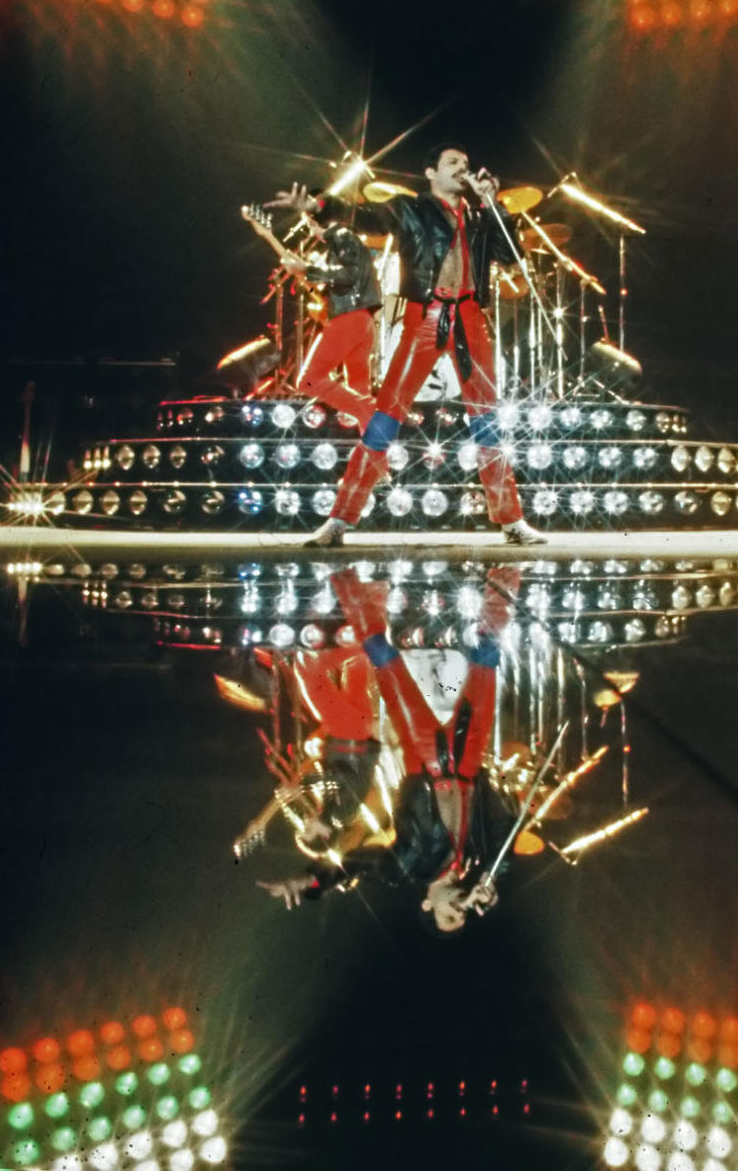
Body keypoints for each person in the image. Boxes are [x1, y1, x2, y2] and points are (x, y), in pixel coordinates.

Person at [303, 145, 544, 545]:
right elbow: (365, 216)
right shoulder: (410, 209)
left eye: (466, 164)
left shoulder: (481, 217)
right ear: (431, 172)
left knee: (487, 419)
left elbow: (511, 254)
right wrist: (319, 203)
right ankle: (339, 521)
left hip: (469, 318)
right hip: (425, 317)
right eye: (453, 163)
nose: (462, 169)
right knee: (386, 416)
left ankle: (511, 521)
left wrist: (494, 206)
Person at [257, 566, 523, 930]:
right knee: (487, 655)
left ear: (429, 905)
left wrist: (310, 882)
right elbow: (506, 826)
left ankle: (346, 575)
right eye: (462, 916)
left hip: (425, 758)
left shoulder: (410, 866)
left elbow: (358, 864)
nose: (457, 910)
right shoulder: (479, 860)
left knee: (385, 660)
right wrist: (490, 878)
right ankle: (506, 574)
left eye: (449, 916)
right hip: (467, 762)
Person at [263, 185, 382, 430]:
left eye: (307, 219)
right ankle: (374, 463)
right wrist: (305, 275)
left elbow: (348, 274)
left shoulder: (340, 235)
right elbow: (341, 283)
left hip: (349, 320)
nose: (307, 226)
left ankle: (368, 412)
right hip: (362, 321)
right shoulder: (344, 241)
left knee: (308, 380)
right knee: (359, 388)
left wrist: (307, 270)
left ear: (313, 219)